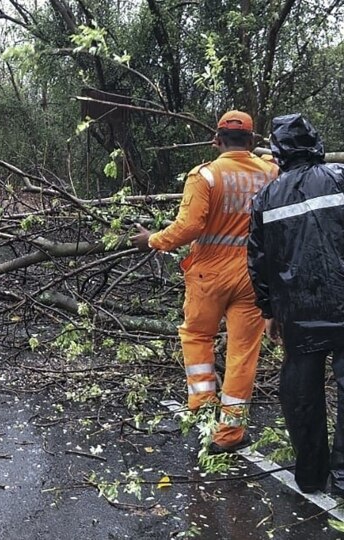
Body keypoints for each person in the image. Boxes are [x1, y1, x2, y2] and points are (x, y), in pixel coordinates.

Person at [131, 111, 279, 453]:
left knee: (197, 336)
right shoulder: (271, 173)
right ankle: (229, 434)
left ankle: (202, 407)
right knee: (243, 353)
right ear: (253, 141)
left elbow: (189, 227)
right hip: (254, 276)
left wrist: (153, 239)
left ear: (216, 139)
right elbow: (279, 166)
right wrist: (267, 156)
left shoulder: (206, 176)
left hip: (208, 274)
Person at [248, 113, 344, 495]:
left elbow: (258, 260)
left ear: (278, 154)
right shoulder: (340, 178)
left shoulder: (267, 197)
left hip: (299, 312)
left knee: (301, 393)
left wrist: (269, 312)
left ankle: (309, 475)